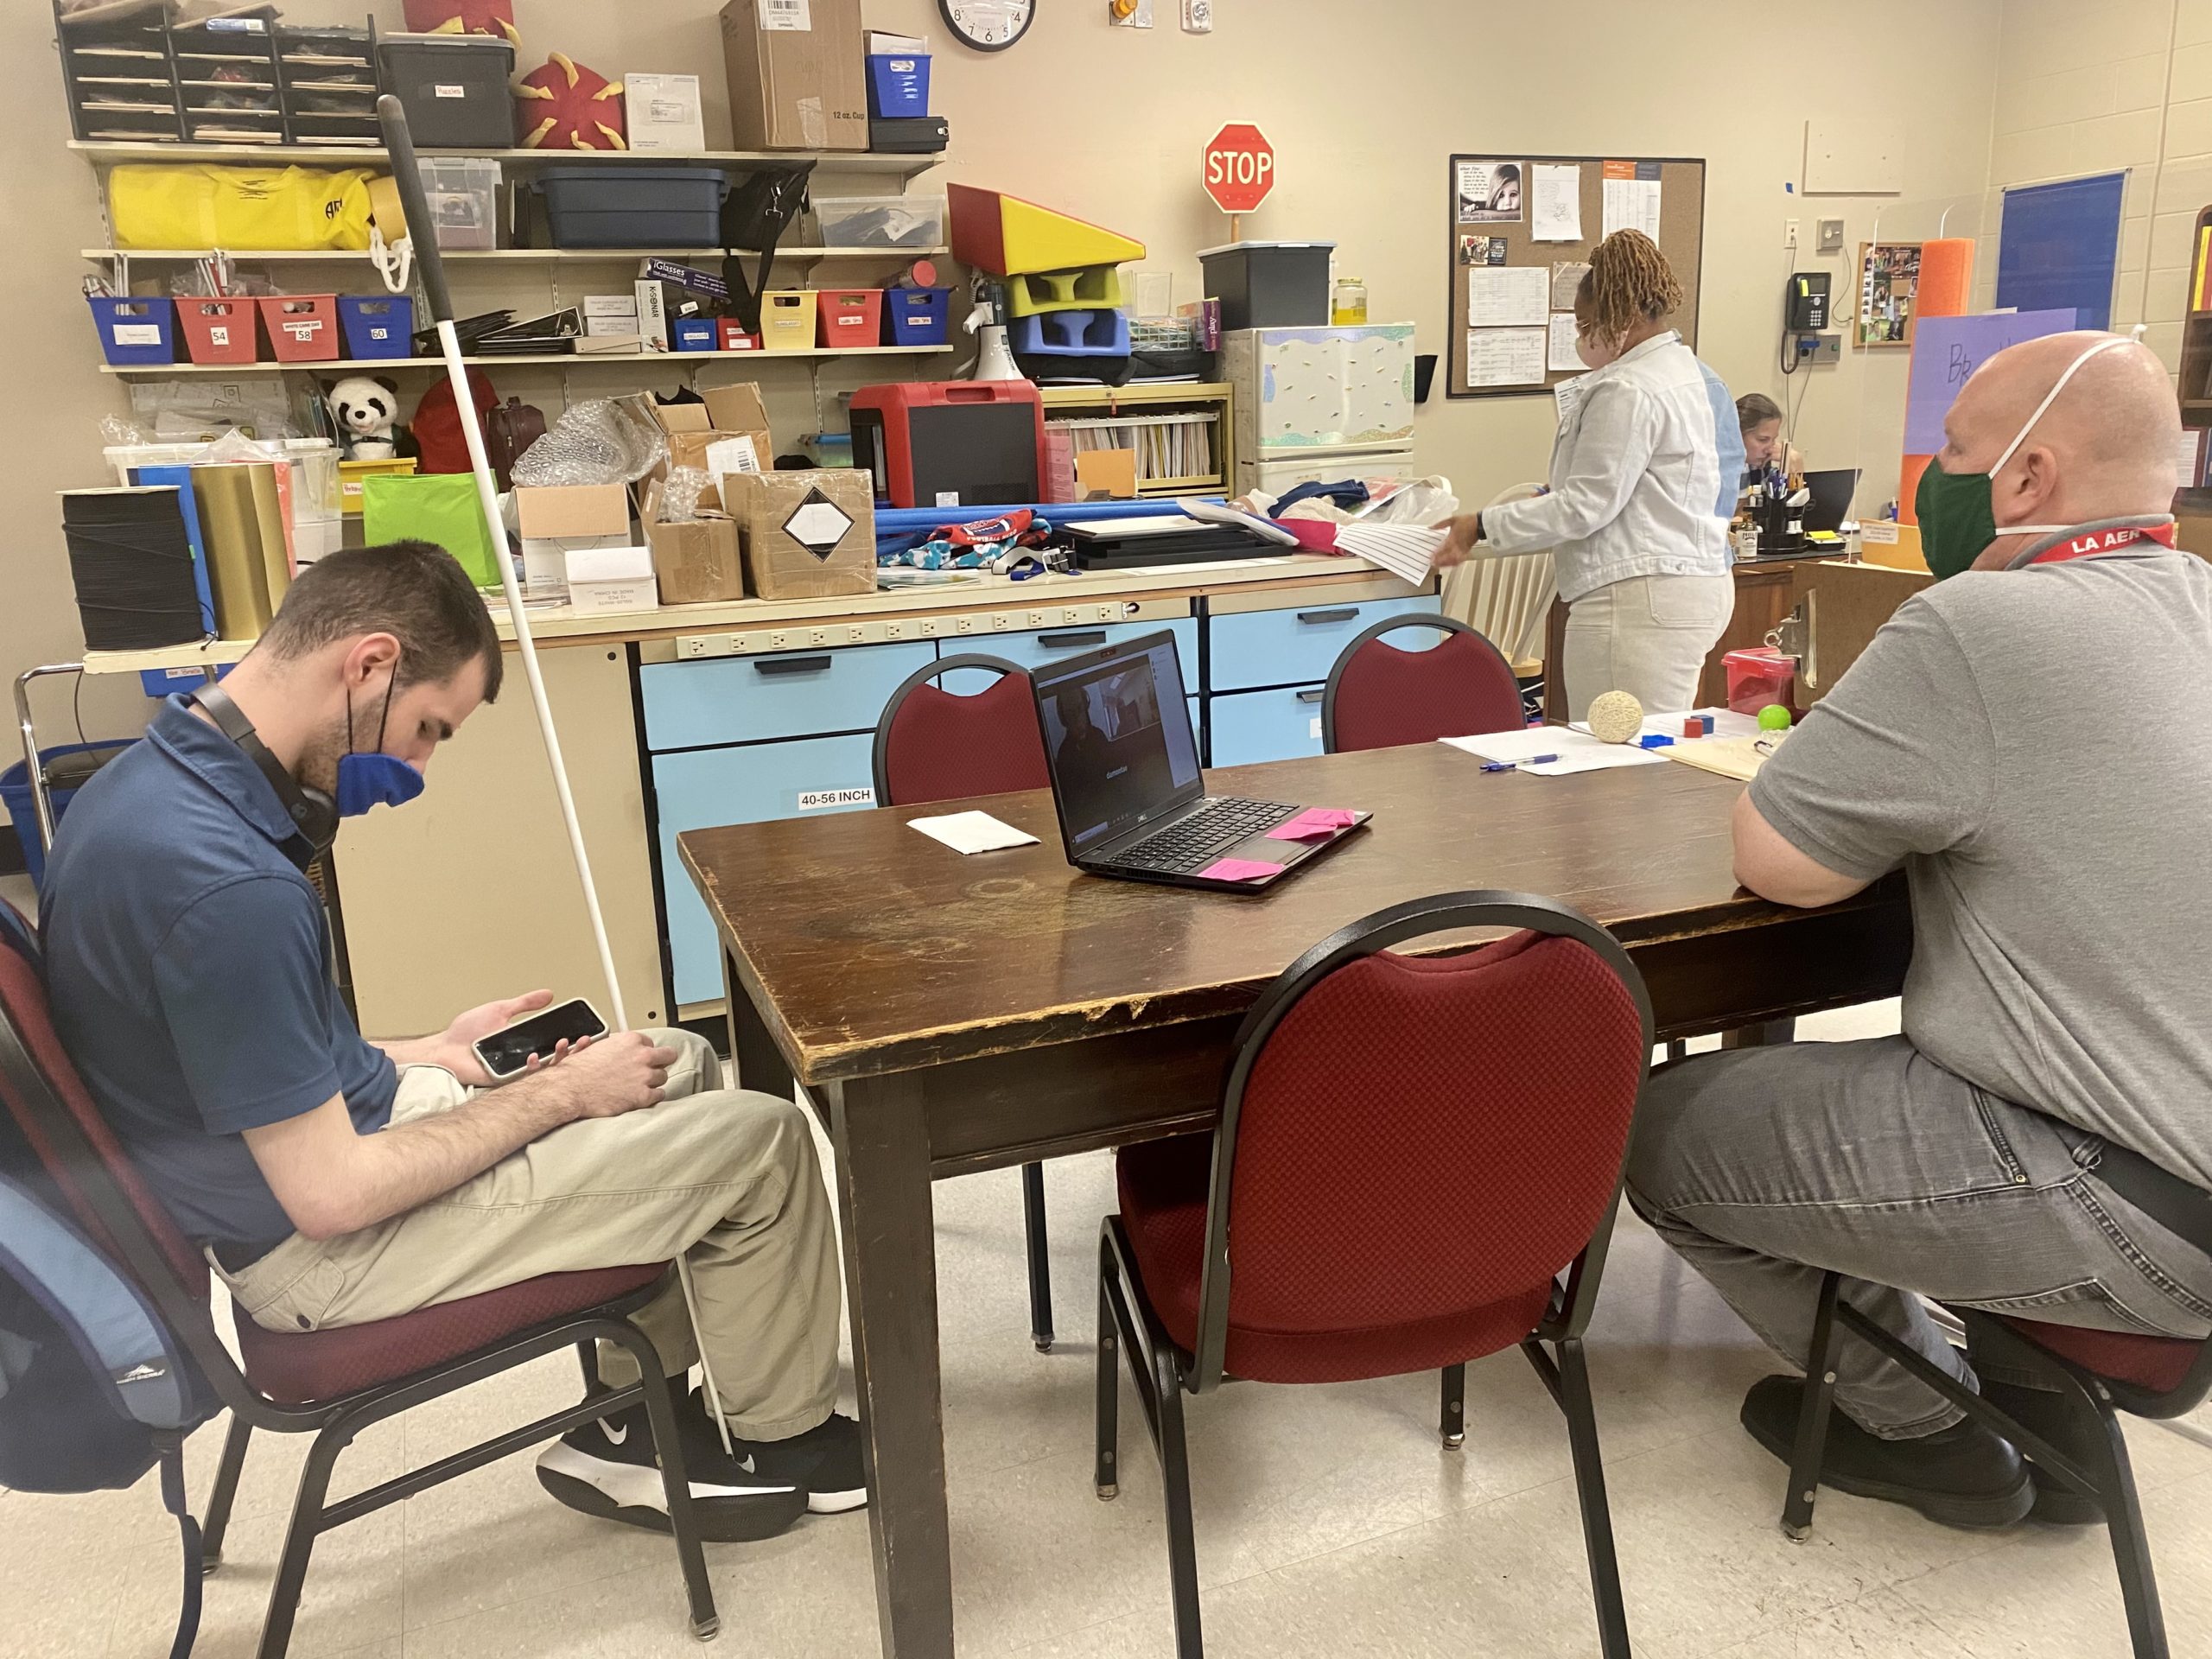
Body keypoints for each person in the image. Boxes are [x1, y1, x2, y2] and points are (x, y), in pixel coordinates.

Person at [39, 542, 861, 1543]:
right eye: (429, 730)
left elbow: (227, 1046)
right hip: (319, 1253)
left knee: (671, 1063)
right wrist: (555, 1099)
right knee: (759, 1139)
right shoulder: (228, 890)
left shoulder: (148, 783)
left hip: (277, 1166)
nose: (420, 768)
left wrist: (436, 1052)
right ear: (370, 663)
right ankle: (779, 1441)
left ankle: (630, 1423)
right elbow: (331, 1194)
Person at [1624, 332, 2212, 1529]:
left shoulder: (1978, 623)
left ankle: (1923, 1424)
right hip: (2183, 1174)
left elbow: (1777, 863)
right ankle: (2030, 1400)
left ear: (2031, 479)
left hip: (2112, 1192)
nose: (1932, 484)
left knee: (1660, 1138)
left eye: (1954, 455)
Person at [1437, 230, 1734, 718]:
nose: (1581, 337)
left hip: (1637, 599)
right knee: (1649, 749)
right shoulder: (1696, 375)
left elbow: (1585, 507)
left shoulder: (1628, 388)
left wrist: (1480, 525)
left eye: (1585, 323)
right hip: (1697, 586)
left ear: (1624, 314)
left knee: (1617, 758)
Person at [1736, 391, 1804, 485]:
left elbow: (1780, 495)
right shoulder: (1718, 468)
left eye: (1773, 439)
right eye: (1763, 440)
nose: (1769, 449)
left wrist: (1795, 464)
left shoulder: (1759, 466)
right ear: (1738, 435)